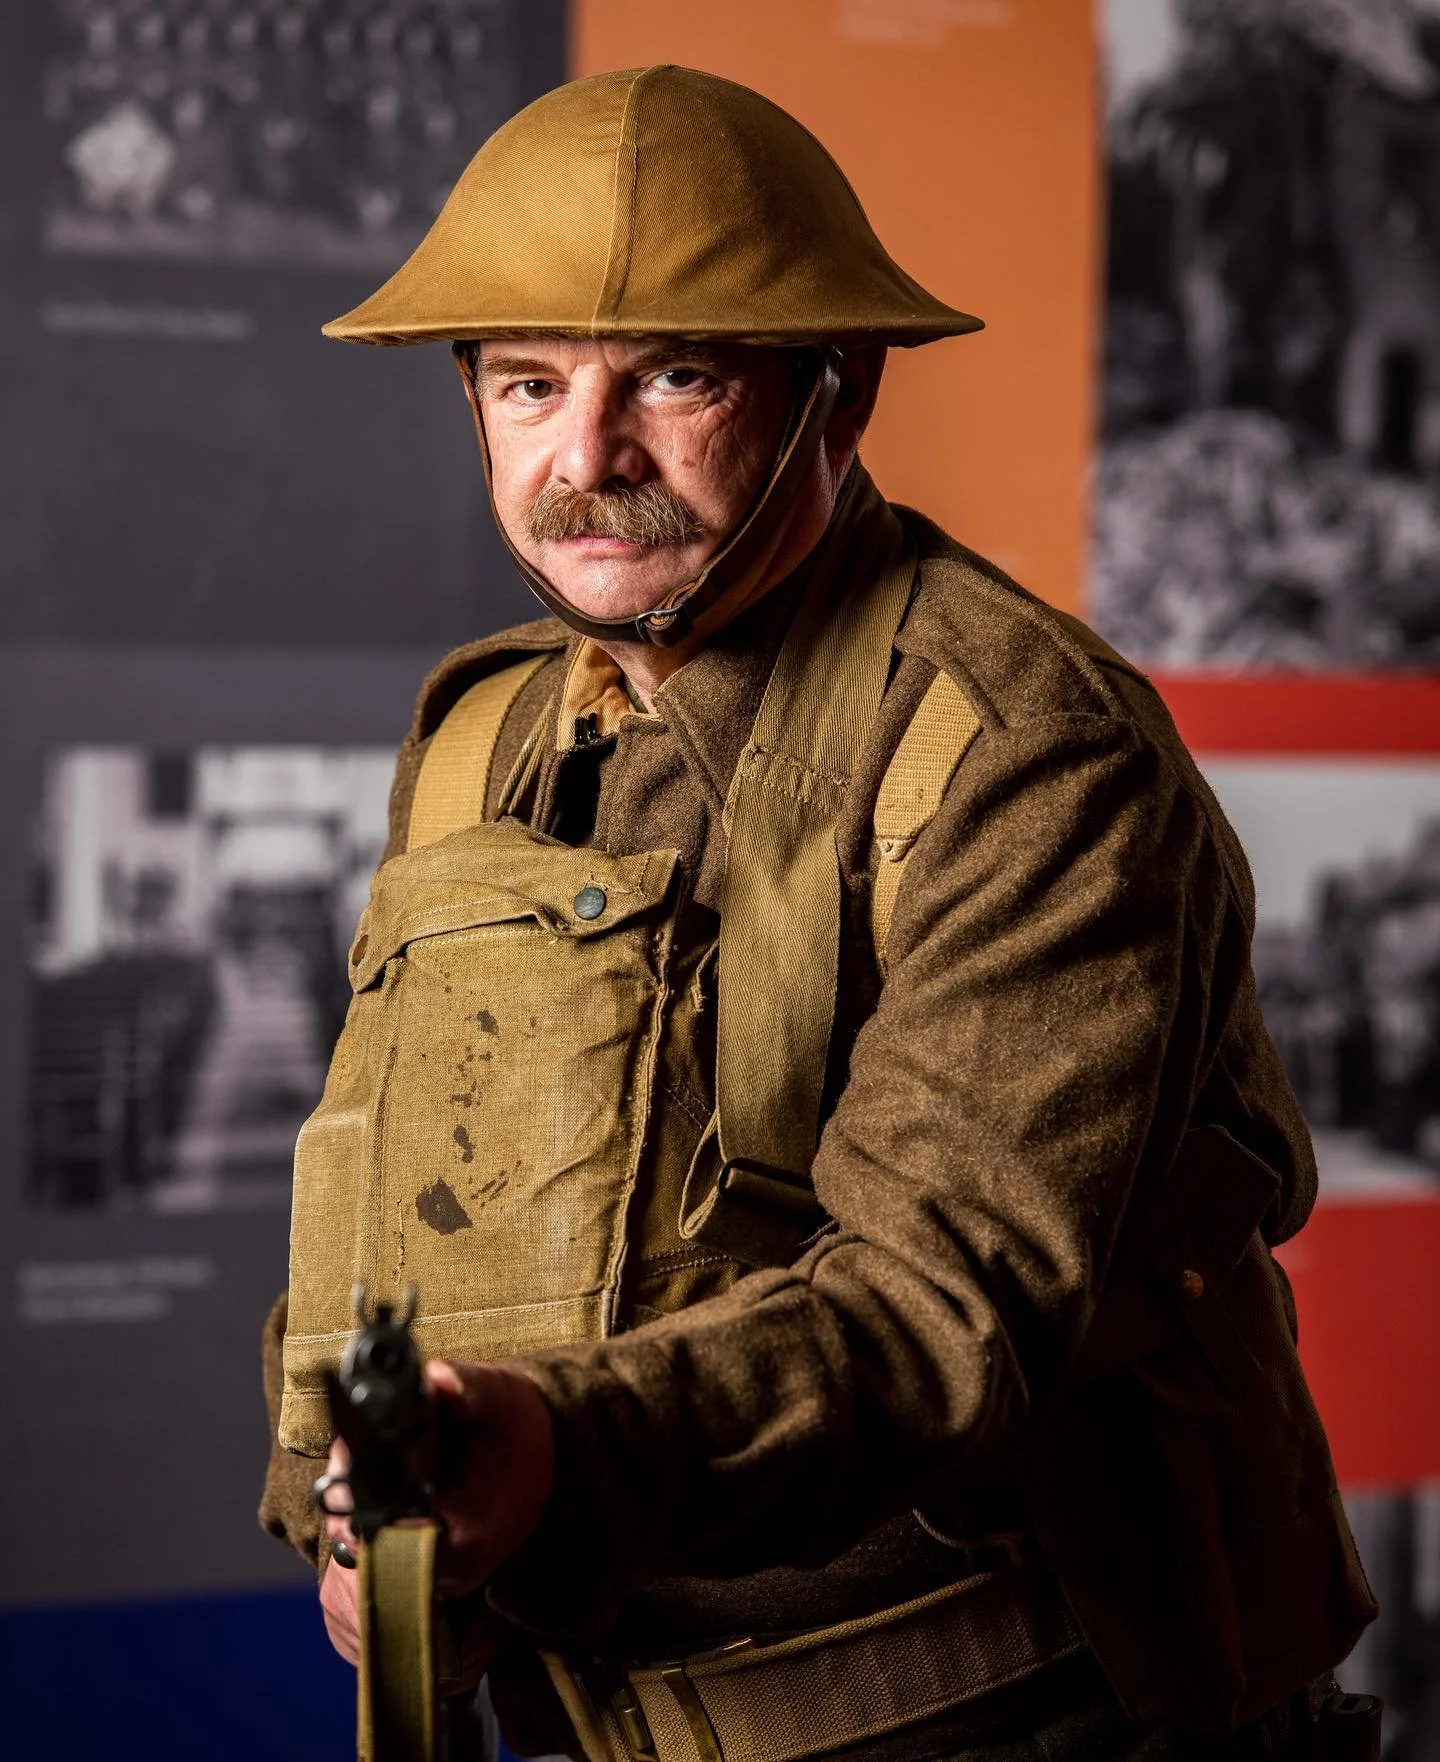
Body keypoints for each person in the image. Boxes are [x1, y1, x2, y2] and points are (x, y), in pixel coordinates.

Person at [260, 65, 1376, 1762]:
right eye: (527, 383)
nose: (586, 458)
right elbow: (396, 1193)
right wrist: (348, 1506)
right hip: (599, 1713)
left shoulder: (1020, 748)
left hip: (1012, 1716)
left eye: (679, 378)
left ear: (832, 397)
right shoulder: (485, 731)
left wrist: (556, 1452)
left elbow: (944, 1311)